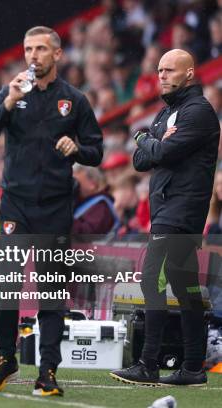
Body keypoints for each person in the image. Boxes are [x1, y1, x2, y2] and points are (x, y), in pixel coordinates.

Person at [0, 26, 103, 397]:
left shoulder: (74, 100)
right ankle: (5, 358)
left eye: (41, 49)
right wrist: (10, 101)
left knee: (51, 290)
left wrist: (76, 150)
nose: (33, 56)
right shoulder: (12, 90)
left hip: (55, 206)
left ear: (58, 55)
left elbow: (97, 150)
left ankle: (47, 369)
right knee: (7, 283)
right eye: (28, 49)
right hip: (15, 202)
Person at [110, 49, 220, 386]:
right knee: (185, 288)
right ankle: (192, 368)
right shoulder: (167, 112)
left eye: (170, 70)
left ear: (189, 74)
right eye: (159, 70)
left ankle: (149, 363)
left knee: (152, 280)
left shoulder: (197, 111)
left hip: (181, 209)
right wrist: (154, 144)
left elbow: (159, 151)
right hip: (168, 208)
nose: (162, 76)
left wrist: (145, 138)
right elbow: (141, 163)